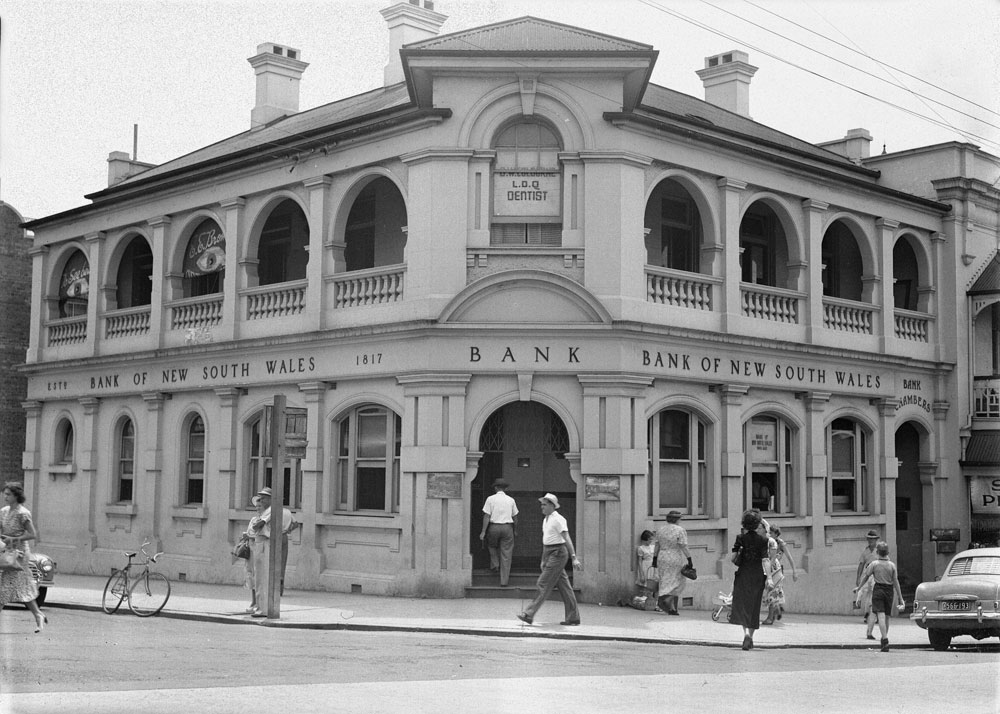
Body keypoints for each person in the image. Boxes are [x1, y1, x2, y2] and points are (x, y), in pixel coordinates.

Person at [517, 493, 582, 626]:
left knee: (543, 583)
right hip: (550, 552)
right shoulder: (546, 519)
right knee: (565, 586)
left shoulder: (558, 519)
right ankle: (573, 617)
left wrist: (574, 557)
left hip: (558, 553)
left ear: (552, 505)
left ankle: (529, 614)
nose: (542, 507)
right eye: (541, 504)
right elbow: (546, 541)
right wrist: (543, 559)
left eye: (545, 504)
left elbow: (566, 538)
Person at [0, 482, 48, 633]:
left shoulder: (23, 513)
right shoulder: (3, 511)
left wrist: (13, 539)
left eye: (8, 494)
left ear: (16, 496)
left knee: (5, 587)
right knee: (23, 587)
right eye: (5, 493)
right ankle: (38, 615)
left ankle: (38, 615)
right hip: (7, 551)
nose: (5, 496)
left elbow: (32, 534)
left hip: (19, 554)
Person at [249, 487, 296, 616]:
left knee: (262, 575)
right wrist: (285, 530)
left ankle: (262, 607)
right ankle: (265, 604)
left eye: (264, 497)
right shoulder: (285, 511)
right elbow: (295, 523)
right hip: (281, 537)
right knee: (278, 568)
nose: (261, 500)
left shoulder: (270, 511)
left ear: (271, 499)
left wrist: (257, 523)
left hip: (264, 541)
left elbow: (257, 526)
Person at [854, 541, 905, 652]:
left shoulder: (874, 564)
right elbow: (896, 582)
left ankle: (885, 640)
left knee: (880, 616)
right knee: (887, 617)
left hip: (878, 590)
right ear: (887, 552)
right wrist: (900, 597)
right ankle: (884, 637)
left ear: (877, 552)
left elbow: (866, 577)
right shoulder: (892, 565)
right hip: (889, 591)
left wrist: (859, 588)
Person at [730, 509, 769, 650]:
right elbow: (765, 560)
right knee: (754, 606)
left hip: (743, 574)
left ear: (744, 524)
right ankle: (750, 636)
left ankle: (745, 634)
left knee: (743, 605)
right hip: (757, 575)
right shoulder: (763, 540)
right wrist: (769, 578)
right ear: (757, 523)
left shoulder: (740, 538)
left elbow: (733, 559)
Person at [478, 478, 518, 587]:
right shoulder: (511, 500)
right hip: (507, 527)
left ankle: (495, 564)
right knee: (506, 554)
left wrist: (483, 531)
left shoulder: (490, 499)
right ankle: (504, 581)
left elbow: (487, 516)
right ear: (505, 488)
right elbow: (515, 517)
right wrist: (515, 530)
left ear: (495, 488)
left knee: (492, 546)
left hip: (494, 527)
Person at [653, 510, 693, 615]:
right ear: (677, 519)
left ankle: (669, 606)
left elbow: (657, 545)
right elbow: (683, 546)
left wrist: (654, 558)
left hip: (662, 556)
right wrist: (689, 558)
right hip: (675, 556)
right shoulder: (680, 530)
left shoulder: (660, 529)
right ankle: (669, 605)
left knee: (665, 580)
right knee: (677, 581)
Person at [766, 524, 796, 621]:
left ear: (776, 534)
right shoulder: (768, 542)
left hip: (777, 570)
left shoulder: (781, 543)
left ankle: (774, 613)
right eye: (769, 532)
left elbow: (790, 558)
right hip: (769, 569)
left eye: (771, 533)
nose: (769, 534)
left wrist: (794, 572)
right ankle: (777, 609)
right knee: (773, 592)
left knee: (774, 591)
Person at [242, 495, 265, 614]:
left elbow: (261, 535)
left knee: (258, 576)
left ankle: (258, 602)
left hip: (259, 550)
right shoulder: (253, 519)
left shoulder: (265, 519)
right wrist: (246, 536)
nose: (258, 508)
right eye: (257, 506)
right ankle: (253, 601)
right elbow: (250, 531)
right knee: (250, 575)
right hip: (251, 551)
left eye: (260, 506)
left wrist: (250, 536)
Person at [855, 529, 880, 638]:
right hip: (868, 572)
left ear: (876, 540)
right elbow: (861, 564)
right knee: (864, 591)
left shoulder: (879, 550)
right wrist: (858, 577)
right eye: (869, 539)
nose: (870, 541)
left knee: (873, 594)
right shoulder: (866, 552)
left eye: (872, 540)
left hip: (876, 574)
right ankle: (866, 612)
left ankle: (871, 614)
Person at [761, 538, 785, 625]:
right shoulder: (764, 540)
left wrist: (768, 574)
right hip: (771, 571)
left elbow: (773, 557)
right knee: (770, 594)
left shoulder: (771, 541)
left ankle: (770, 618)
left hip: (772, 571)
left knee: (772, 594)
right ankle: (776, 609)